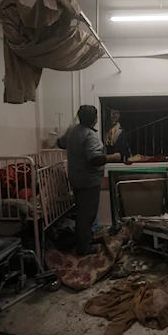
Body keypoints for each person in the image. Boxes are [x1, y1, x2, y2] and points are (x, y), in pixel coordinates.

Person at [57, 105, 121, 255]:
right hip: (88, 181)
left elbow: (61, 143)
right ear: (94, 119)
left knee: (81, 212)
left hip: (76, 178)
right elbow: (95, 159)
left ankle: (84, 240)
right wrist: (114, 157)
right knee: (87, 216)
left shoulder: (73, 130)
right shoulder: (89, 135)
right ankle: (83, 248)